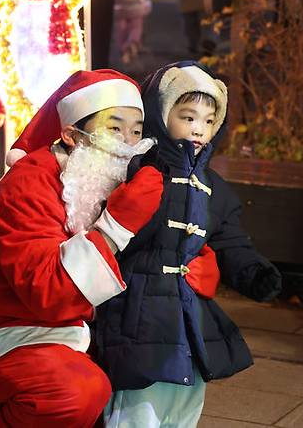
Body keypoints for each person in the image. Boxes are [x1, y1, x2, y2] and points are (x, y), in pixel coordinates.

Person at [0, 69, 171, 427]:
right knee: (76, 393)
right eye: (114, 129)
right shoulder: (28, 185)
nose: (128, 145)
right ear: (71, 135)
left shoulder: (116, 181)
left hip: (77, 325)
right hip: (1, 329)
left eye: (136, 131)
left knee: (162, 365)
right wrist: (117, 225)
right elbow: (47, 293)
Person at [96, 61, 282, 427]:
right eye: (188, 117)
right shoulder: (136, 170)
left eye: (209, 121)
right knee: (138, 410)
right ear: (161, 114)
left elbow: (230, 241)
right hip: (139, 312)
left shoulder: (214, 188)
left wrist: (253, 273)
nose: (199, 129)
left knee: (184, 404)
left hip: (189, 314)